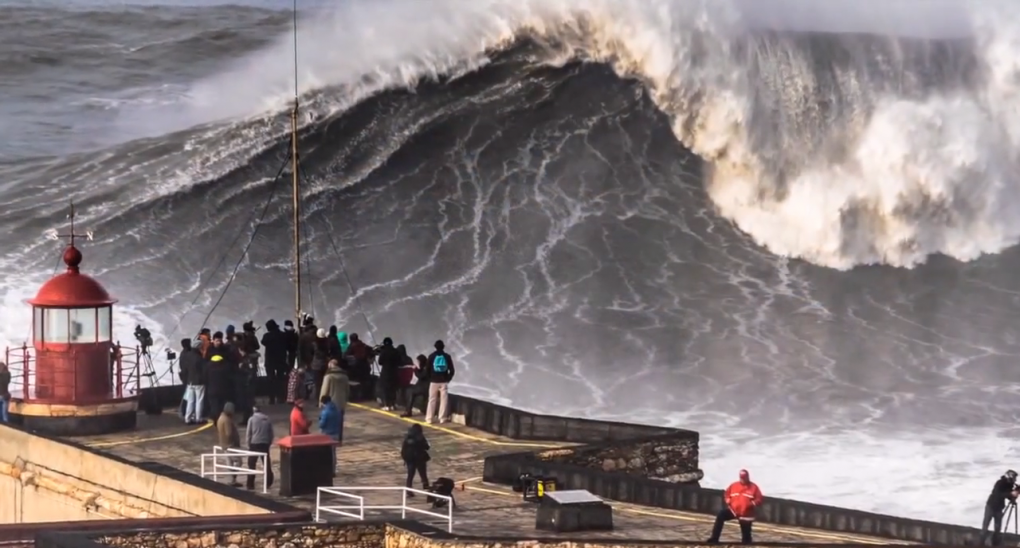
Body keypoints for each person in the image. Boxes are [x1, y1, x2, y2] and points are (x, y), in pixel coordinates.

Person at [707, 469, 763, 544]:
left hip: (746, 514)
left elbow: (759, 499)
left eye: (744, 478)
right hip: (733, 510)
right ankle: (714, 538)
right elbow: (727, 493)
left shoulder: (754, 487)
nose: (743, 480)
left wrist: (751, 504)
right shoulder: (734, 485)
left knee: (746, 536)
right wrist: (727, 499)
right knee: (721, 515)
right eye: (741, 478)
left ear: (748, 477)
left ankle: (746, 544)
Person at [982, 469, 1019, 546]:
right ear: (1010, 477)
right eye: (1014, 478)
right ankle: (981, 543)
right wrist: (1010, 493)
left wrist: (1014, 495)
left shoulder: (1009, 485)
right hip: (991, 506)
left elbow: (1008, 495)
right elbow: (998, 494)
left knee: (998, 528)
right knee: (985, 527)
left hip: (999, 508)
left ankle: (995, 544)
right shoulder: (999, 483)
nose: (1015, 480)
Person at [320, 359, 350, 443]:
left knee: (328, 420)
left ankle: (329, 439)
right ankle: (339, 438)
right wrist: (346, 400)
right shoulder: (345, 376)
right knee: (340, 421)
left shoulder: (328, 376)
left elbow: (324, 390)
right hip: (341, 402)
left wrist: (321, 401)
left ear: (330, 365)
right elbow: (347, 390)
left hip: (330, 402)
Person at [425, 340, 455, 424]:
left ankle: (429, 418)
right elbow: (452, 370)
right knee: (444, 400)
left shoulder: (431, 356)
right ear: (443, 347)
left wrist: (430, 378)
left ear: (435, 346)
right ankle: (442, 418)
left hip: (433, 381)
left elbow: (427, 370)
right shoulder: (447, 356)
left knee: (431, 399)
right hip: (443, 381)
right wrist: (448, 379)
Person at [245, 405, 274, 490]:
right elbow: (271, 433)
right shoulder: (267, 419)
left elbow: (248, 434)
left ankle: (250, 484)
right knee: (266, 463)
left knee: (251, 464)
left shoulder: (251, 419)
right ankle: (269, 481)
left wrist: (248, 444)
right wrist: (269, 443)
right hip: (265, 443)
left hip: (254, 443)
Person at [261, 319, 288, 404]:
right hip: (281, 359)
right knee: (281, 379)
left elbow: (263, 342)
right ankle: (281, 397)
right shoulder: (282, 335)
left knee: (270, 379)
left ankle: (271, 398)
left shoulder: (267, 336)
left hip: (270, 360)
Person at [216, 402, 242, 487]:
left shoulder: (220, 418)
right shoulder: (227, 420)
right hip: (230, 445)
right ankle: (233, 478)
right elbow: (229, 433)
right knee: (238, 461)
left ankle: (232, 479)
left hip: (224, 445)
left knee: (229, 462)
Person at [180, 338, 205, 425]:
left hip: (190, 381)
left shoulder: (187, 356)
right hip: (199, 382)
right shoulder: (199, 358)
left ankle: (188, 418)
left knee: (190, 400)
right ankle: (198, 418)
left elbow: (185, 369)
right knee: (199, 400)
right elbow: (203, 370)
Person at [400, 423, 431, 495]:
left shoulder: (407, 437)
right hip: (419, 458)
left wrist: (405, 458)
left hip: (410, 459)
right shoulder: (420, 437)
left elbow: (403, 449)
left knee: (410, 475)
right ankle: (426, 486)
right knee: (423, 473)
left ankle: (408, 489)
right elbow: (426, 447)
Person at [401, 354, 429, 418]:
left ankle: (408, 411)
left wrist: (415, 370)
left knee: (411, 392)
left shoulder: (426, 368)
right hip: (423, 386)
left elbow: (421, 376)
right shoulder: (425, 367)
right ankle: (423, 409)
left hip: (425, 387)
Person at [376, 337, 401, 411]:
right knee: (393, 389)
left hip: (386, 373)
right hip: (394, 372)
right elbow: (399, 361)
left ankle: (387, 405)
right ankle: (393, 405)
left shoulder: (383, 351)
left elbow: (380, 362)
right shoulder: (396, 351)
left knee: (386, 389)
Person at [319, 395, 342, 472]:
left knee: (326, 453)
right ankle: (333, 469)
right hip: (335, 434)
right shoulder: (336, 410)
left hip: (327, 435)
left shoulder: (325, 412)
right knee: (333, 453)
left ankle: (327, 469)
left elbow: (322, 424)